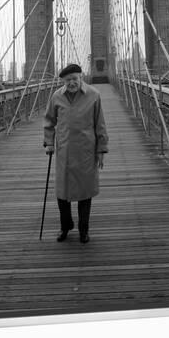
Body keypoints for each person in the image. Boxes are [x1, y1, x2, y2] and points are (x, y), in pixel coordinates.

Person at [43, 63, 109, 244]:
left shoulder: (94, 95)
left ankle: (83, 229)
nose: (71, 83)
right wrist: (48, 143)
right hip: (64, 151)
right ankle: (65, 226)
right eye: (67, 80)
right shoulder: (57, 96)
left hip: (86, 151)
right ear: (63, 81)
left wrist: (101, 149)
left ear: (81, 77)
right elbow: (49, 121)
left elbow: (100, 124)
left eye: (74, 79)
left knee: (85, 192)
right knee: (62, 192)